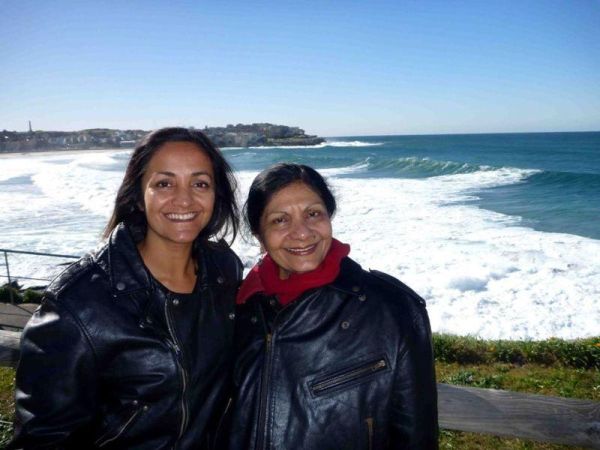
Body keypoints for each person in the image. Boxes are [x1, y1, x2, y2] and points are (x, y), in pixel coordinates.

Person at [9, 127, 242, 449]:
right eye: (164, 183)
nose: (184, 199)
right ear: (137, 194)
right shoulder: (79, 304)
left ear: (217, 195)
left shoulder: (224, 271)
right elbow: (42, 440)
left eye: (200, 183)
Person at [227, 163, 438, 450]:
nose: (301, 232)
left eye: (313, 214)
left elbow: (416, 437)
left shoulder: (390, 309)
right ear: (259, 234)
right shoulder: (237, 308)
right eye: (280, 220)